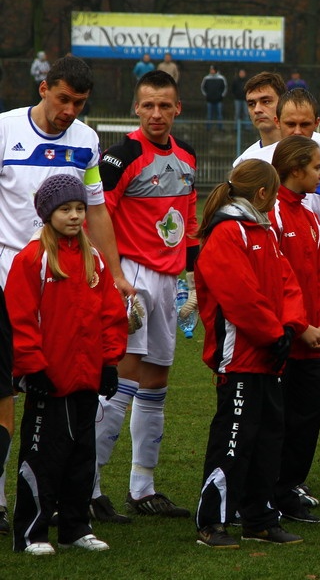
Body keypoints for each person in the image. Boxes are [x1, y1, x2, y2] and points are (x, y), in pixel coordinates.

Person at [0, 55, 130, 531]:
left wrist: (112, 272)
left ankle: (66, 508)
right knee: (6, 393)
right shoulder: (5, 129)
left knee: (59, 396)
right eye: (63, 99)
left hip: (67, 286)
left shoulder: (86, 141)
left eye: (78, 102)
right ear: (43, 88)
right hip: (10, 279)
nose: (69, 110)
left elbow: (96, 211)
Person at [237, 87, 320, 500]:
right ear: (277, 121)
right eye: (290, 123)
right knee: (281, 405)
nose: (297, 131)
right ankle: (268, 486)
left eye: (305, 124)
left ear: (318, 125)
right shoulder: (252, 169)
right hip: (282, 312)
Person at [92, 70, 197, 521]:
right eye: (148, 105)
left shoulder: (188, 156)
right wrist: (113, 277)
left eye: (165, 105)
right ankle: (88, 487)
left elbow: (188, 224)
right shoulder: (121, 156)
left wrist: (191, 278)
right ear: (136, 108)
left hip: (170, 280)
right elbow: (100, 221)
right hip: (131, 277)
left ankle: (143, 487)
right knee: (123, 379)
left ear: (177, 108)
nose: (157, 113)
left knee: (156, 382)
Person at [7, 174, 127, 555]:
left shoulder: (95, 259)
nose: (75, 216)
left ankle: (76, 527)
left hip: (87, 379)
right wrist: (32, 367)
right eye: (65, 210)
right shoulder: (32, 259)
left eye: (79, 208)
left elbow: (111, 314)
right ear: (47, 213)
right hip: (49, 381)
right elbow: (20, 319)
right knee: (43, 458)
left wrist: (109, 362)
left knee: (81, 457)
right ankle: (32, 532)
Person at [194, 159, 306, 548]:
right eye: (274, 192)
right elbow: (239, 296)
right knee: (234, 440)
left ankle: (258, 518)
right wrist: (273, 335)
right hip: (241, 358)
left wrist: (289, 329)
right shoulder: (228, 233)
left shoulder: (263, 231)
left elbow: (287, 283)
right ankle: (212, 522)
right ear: (262, 194)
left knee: (268, 440)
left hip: (269, 357)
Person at [270, 136, 320, 523]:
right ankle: (267, 492)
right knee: (275, 422)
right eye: (315, 166)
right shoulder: (273, 214)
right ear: (295, 170)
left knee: (309, 414)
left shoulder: (310, 217)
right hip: (282, 342)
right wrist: (300, 326)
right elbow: (276, 282)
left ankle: (287, 488)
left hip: (311, 341)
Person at [201, 65, 227, 131]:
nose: (211, 71)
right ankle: (208, 127)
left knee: (219, 115)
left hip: (218, 100)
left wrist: (221, 95)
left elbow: (225, 88)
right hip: (209, 99)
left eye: (212, 69)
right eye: (210, 70)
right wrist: (206, 95)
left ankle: (220, 127)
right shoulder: (206, 78)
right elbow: (202, 87)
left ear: (215, 70)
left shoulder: (221, 78)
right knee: (209, 115)